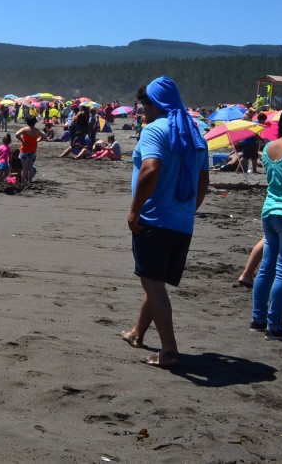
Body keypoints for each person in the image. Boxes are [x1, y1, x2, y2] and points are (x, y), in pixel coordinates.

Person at [121, 76, 209, 368]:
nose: (142, 109)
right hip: (182, 223)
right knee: (155, 281)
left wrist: (135, 210)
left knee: (153, 284)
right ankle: (137, 332)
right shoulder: (195, 133)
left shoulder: (155, 130)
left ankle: (169, 351)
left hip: (154, 219)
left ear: (155, 103)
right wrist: (186, 210)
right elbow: (203, 181)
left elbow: (150, 169)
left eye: (144, 103)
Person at [251, 106, 282, 341]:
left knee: (267, 267)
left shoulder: (268, 148)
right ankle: (275, 324)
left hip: (270, 211)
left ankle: (258, 319)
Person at [15, 116, 48, 186]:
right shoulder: (37, 131)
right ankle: (29, 182)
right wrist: (38, 140)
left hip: (24, 150)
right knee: (30, 167)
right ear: (34, 123)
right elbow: (45, 136)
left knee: (24, 168)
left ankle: (23, 182)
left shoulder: (25, 129)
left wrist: (22, 141)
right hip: (32, 150)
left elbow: (17, 134)